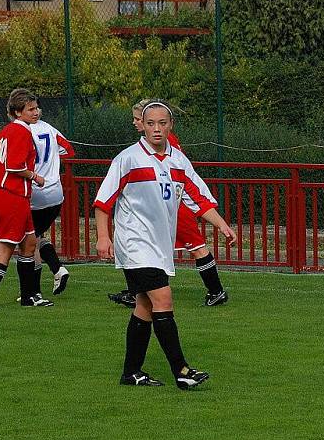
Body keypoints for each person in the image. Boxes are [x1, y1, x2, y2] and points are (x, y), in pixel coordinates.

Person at [94, 101, 236, 389]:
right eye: (150, 123)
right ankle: (181, 371)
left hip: (159, 247)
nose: (156, 129)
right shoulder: (128, 159)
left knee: (145, 306)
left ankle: (131, 372)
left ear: (171, 126)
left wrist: (221, 224)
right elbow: (103, 201)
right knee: (163, 299)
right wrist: (103, 236)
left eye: (162, 123)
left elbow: (197, 197)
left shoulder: (178, 161)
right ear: (142, 125)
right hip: (134, 244)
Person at [109, 98, 229, 308]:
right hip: (163, 205)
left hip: (173, 205)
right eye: (140, 120)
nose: (135, 123)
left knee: (196, 247)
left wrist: (220, 222)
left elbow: (178, 177)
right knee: (146, 247)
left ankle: (215, 290)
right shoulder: (140, 149)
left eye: (137, 119)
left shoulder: (166, 144)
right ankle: (137, 292)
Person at [0, 88, 54, 309]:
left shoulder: (6, 131)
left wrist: (8, 172)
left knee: (29, 243)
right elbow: (14, 166)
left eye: (36, 107)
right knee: (6, 248)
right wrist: (35, 176)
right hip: (11, 196)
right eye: (30, 109)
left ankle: (28, 296)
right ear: (18, 112)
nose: (36, 112)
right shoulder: (20, 132)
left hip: (13, 195)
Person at [30, 107, 75, 296]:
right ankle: (58, 269)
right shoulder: (50, 129)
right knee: (37, 235)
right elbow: (69, 151)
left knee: (28, 241)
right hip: (55, 193)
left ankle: (32, 290)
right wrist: (51, 161)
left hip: (33, 191)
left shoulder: (21, 130)